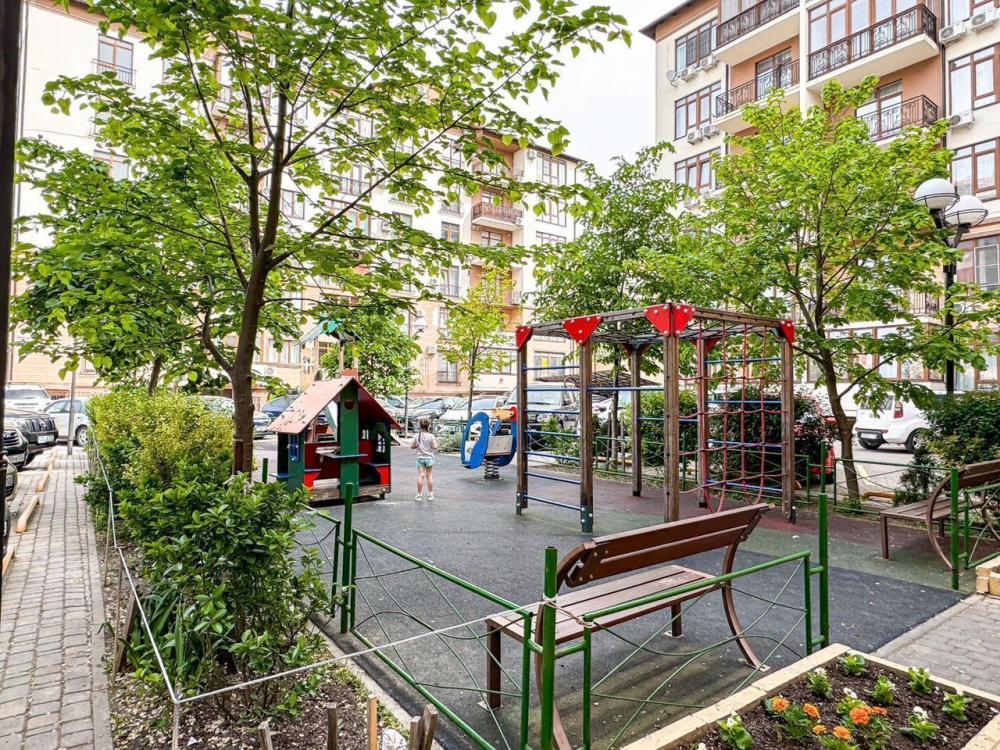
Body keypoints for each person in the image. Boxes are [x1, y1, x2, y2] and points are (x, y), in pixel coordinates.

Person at [411, 416, 438, 501]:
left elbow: (412, 446)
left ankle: (419, 495)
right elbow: (435, 447)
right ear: (428, 425)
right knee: (429, 476)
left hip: (420, 458)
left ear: (420, 425)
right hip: (429, 458)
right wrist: (432, 445)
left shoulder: (417, 436)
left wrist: (417, 445)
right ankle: (430, 495)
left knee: (420, 476)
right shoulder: (431, 436)